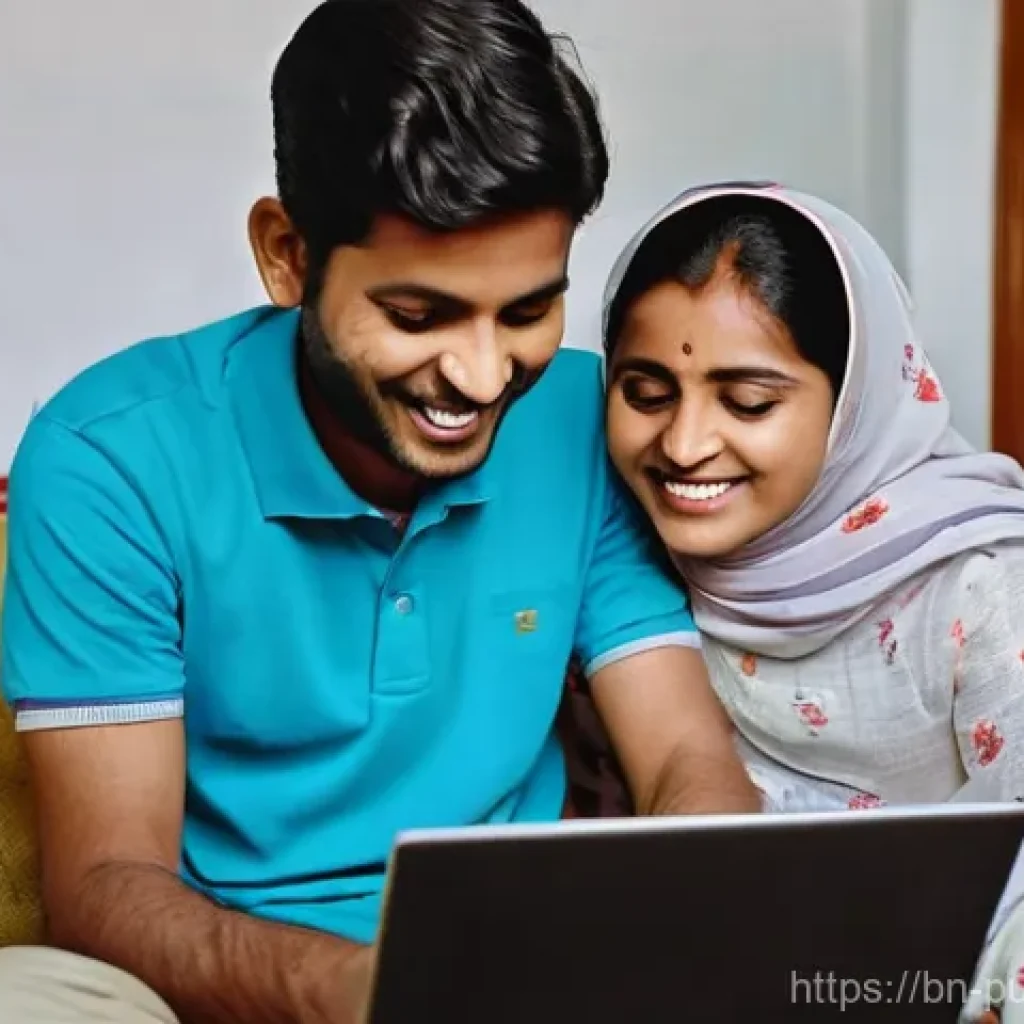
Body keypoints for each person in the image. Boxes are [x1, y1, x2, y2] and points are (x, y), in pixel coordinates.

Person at [0, 5, 761, 1023]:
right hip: (202, 988)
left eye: (528, 311)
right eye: (418, 315)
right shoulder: (110, 456)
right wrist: (359, 991)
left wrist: (704, 910)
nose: (484, 375)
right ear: (287, 253)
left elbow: (682, 756)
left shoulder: (590, 418)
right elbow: (104, 886)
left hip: (525, 971)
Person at [596, 181, 1024, 1021]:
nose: (684, 444)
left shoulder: (978, 584)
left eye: (748, 402)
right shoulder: (626, 567)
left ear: (851, 403)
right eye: (646, 393)